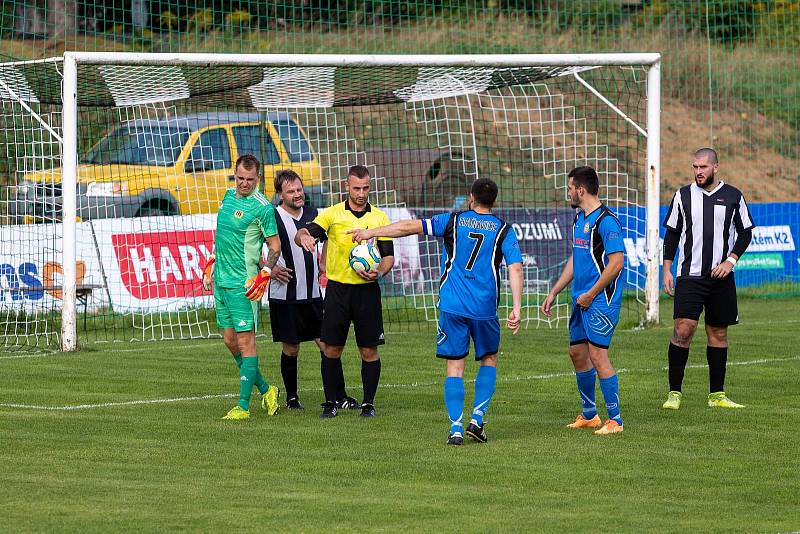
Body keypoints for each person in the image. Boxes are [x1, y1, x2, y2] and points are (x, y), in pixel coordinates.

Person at [349, 177, 523, 446]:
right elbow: (515, 267)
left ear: (471, 198)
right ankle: (477, 419)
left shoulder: (453, 220)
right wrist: (516, 307)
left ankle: (455, 428)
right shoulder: (504, 230)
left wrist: (374, 232)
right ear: (495, 202)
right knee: (489, 359)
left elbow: (409, 227)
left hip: (453, 305)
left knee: (455, 366)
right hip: (485, 307)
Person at [294, 165, 395, 418]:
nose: (361, 193)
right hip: (338, 291)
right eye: (356, 188)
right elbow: (305, 232)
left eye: (366, 188)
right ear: (346, 186)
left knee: (369, 350)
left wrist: (379, 272)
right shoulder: (332, 214)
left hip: (367, 292)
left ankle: (368, 404)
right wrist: (303, 237)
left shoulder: (379, 219)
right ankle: (330, 403)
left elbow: (388, 257)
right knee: (331, 348)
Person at [661, 148, 754, 410]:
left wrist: (730, 261)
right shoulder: (683, 195)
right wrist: (667, 269)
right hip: (690, 275)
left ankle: (717, 396)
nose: (698, 172)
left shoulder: (734, 196)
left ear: (715, 167)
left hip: (721, 277)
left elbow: (746, 233)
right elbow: (671, 235)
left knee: (718, 333)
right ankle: (674, 394)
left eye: (703, 167)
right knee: (683, 330)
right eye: (695, 167)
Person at [541, 166, 625, 436]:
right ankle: (590, 415)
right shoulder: (579, 219)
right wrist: (555, 290)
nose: (568, 192)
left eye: (569, 188)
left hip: (601, 300)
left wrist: (592, 293)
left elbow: (617, 264)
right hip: (581, 299)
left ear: (581, 190)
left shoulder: (606, 222)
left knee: (598, 356)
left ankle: (616, 420)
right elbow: (577, 260)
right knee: (577, 353)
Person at [268, 169, 357, 410]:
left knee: (328, 345)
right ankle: (292, 397)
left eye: (299, 189)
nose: (297, 194)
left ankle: (340, 396)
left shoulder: (314, 213)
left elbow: (329, 236)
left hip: (314, 295)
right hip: (284, 295)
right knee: (291, 347)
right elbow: (254, 248)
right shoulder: (271, 215)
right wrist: (271, 269)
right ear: (280, 194)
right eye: (291, 191)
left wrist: (323, 263)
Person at [201, 154, 281, 420]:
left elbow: (275, 246)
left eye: (250, 179)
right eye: (240, 178)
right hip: (221, 282)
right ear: (234, 175)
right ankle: (268, 389)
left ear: (258, 178)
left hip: (244, 285)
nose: (244, 184)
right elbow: (221, 236)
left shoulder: (263, 208)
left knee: (246, 344)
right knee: (229, 341)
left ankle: (243, 406)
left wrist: (266, 272)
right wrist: (212, 261)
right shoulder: (227, 196)